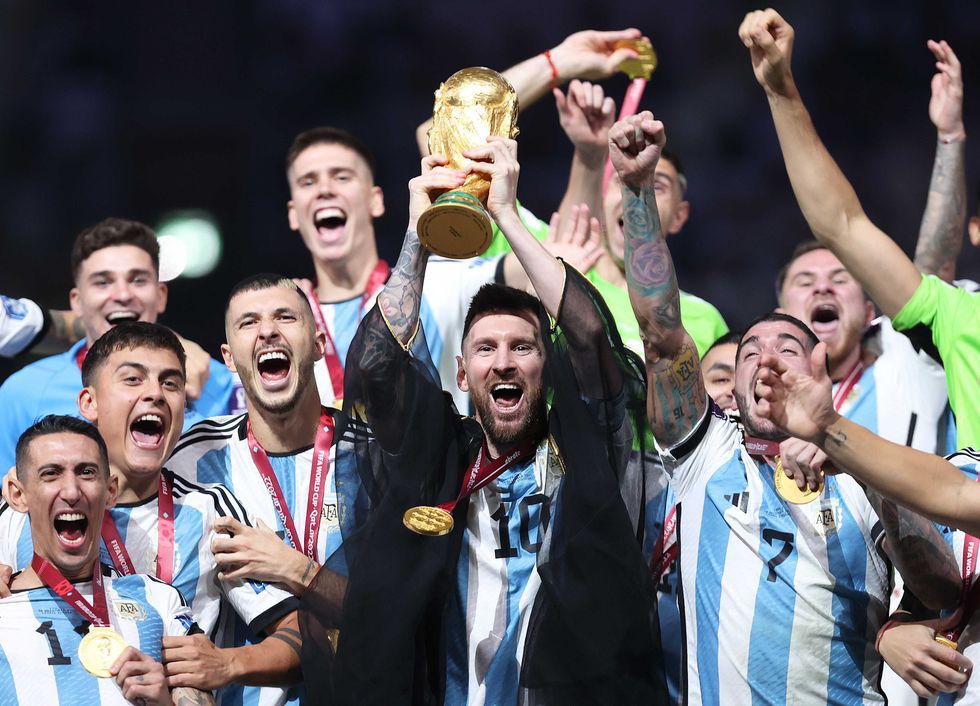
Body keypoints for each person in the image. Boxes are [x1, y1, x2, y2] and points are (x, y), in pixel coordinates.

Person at [298, 136, 665, 704]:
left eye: (523, 347)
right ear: (463, 371)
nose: (504, 362)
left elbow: (590, 334)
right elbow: (373, 368)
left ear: (547, 365)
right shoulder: (441, 458)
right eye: (486, 349)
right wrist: (418, 237)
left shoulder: (584, 446)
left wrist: (506, 215)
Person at [615, 109, 959, 703]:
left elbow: (941, 587)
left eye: (789, 347)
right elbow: (661, 328)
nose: (767, 359)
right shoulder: (705, 452)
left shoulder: (867, 463)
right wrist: (638, 192)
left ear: (820, 368)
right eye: (750, 351)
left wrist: (847, 455)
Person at [0, 323, 303, 705]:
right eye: (132, 379)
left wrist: (227, 663)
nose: (155, 394)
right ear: (89, 402)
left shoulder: (211, 511)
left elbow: (298, 636)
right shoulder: (17, 510)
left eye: (171, 383)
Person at [738, 9, 979, 448]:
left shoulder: (906, 353)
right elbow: (841, 225)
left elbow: (914, 257)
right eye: (806, 281)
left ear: (872, 311)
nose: (822, 290)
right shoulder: (965, 321)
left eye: (840, 278)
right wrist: (779, 89)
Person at [0, 414, 214, 705]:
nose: (72, 492)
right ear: (18, 495)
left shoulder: (159, 600)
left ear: (110, 490)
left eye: (86, 472)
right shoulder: (4, 607)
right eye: (51, 473)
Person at [0, 218, 235, 470]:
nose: (123, 295)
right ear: (77, 301)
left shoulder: (220, 383)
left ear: (161, 296)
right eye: (102, 282)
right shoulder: (23, 394)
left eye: (138, 280)